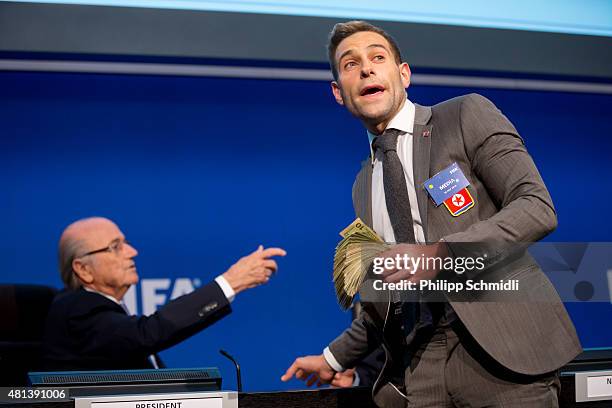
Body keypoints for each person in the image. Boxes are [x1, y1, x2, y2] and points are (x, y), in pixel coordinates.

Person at [281, 21, 581, 407]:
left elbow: (535, 206)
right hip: (420, 366)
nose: (366, 68)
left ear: (403, 74)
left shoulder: (463, 116)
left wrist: (442, 253)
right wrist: (331, 358)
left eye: (377, 57)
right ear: (339, 92)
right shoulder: (363, 184)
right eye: (350, 64)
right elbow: (382, 297)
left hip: (502, 354)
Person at [42, 216, 286, 370]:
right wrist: (230, 282)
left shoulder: (102, 310)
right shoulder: (76, 309)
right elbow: (145, 334)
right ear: (83, 269)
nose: (132, 251)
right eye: (115, 247)